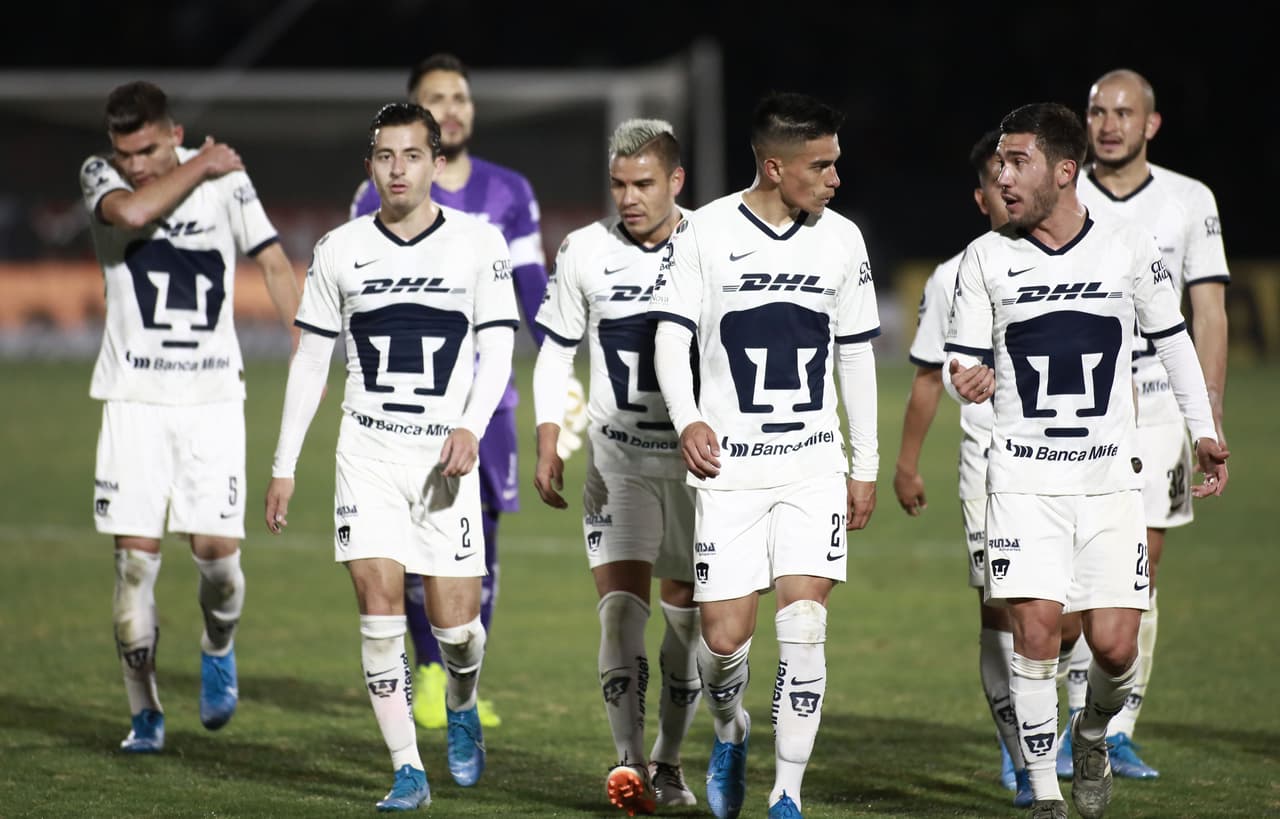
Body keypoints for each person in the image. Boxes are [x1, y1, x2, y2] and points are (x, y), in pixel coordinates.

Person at [943, 102, 1229, 819]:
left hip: (1106, 483)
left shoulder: (1128, 249)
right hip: (1022, 481)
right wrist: (966, 375)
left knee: (1114, 646)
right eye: (1000, 163)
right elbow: (966, 361)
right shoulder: (986, 258)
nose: (1001, 177)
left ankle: (1095, 731)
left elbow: (1174, 342)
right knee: (1036, 630)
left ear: (1064, 172)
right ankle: (1044, 793)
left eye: (1018, 163)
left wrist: (1204, 431)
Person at [265, 102, 517, 809]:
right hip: (368, 451)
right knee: (378, 611)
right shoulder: (340, 249)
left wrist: (471, 425)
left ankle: (461, 704)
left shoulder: (477, 243)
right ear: (370, 164)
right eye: (384, 155)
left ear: (437, 164)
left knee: (457, 631)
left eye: (411, 155)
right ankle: (408, 767)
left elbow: (497, 346)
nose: (397, 168)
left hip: (445, 461)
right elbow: (312, 361)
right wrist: (284, 464)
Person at [649, 91, 880, 819]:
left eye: (836, 163)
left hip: (811, 464)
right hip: (731, 471)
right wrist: (687, 419)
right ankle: (731, 729)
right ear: (775, 167)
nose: (835, 178)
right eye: (822, 166)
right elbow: (668, 339)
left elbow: (855, 359)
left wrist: (862, 463)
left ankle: (787, 792)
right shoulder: (705, 232)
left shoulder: (843, 238)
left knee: (805, 627)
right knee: (722, 644)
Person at [350, 53, 571, 732]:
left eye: (461, 97)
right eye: (437, 97)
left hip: (489, 399)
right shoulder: (376, 197)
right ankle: (425, 670)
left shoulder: (509, 192)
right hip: (404, 405)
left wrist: (563, 368)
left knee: (481, 543)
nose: (453, 107)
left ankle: (464, 680)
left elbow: (535, 294)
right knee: (408, 543)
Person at [81, 80, 301, 753]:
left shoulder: (229, 187)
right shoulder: (101, 175)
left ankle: (218, 643)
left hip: (211, 403)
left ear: (172, 131)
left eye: (147, 148)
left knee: (218, 565)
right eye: (125, 153)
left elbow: (271, 260)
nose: (134, 164)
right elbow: (131, 210)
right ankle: (144, 711)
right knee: (134, 573)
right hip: (134, 402)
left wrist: (308, 347)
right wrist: (202, 161)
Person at [1055, 68, 1232, 781]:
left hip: (1158, 408)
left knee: (1141, 565)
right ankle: (1071, 717)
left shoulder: (1189, 201)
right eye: (1098, 110)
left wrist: (1207, 416)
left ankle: (1116, 725)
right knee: (1069, 569)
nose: (1108, 123)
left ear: (1150, 124)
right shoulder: (1062, 191)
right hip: (1078, 408)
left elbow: (1209, 310)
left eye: (1124, 112)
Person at [531, 118, 702, 815]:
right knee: (619, 615)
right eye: (618, 185)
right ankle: (629, 763)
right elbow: (553, 351)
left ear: (676, 182)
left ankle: (668, 758)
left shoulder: (712, 246)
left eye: (643, 184)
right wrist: (549, 436)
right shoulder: (583, 251)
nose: (628, 197)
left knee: (687, 623)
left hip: (697, 467)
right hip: (618, 461)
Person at [892, 129, 1034, 807]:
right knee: (1002, 606)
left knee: (1069, 620)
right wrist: (907, 464)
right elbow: (926, 376)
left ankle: (1065, 729)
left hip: (1075, 463)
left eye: (1019, 169)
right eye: (997, 177)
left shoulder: (1082, 258)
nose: (1010, 187)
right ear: (981, 197)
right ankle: (1021, 751)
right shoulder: (954, 275)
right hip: (989, 464)